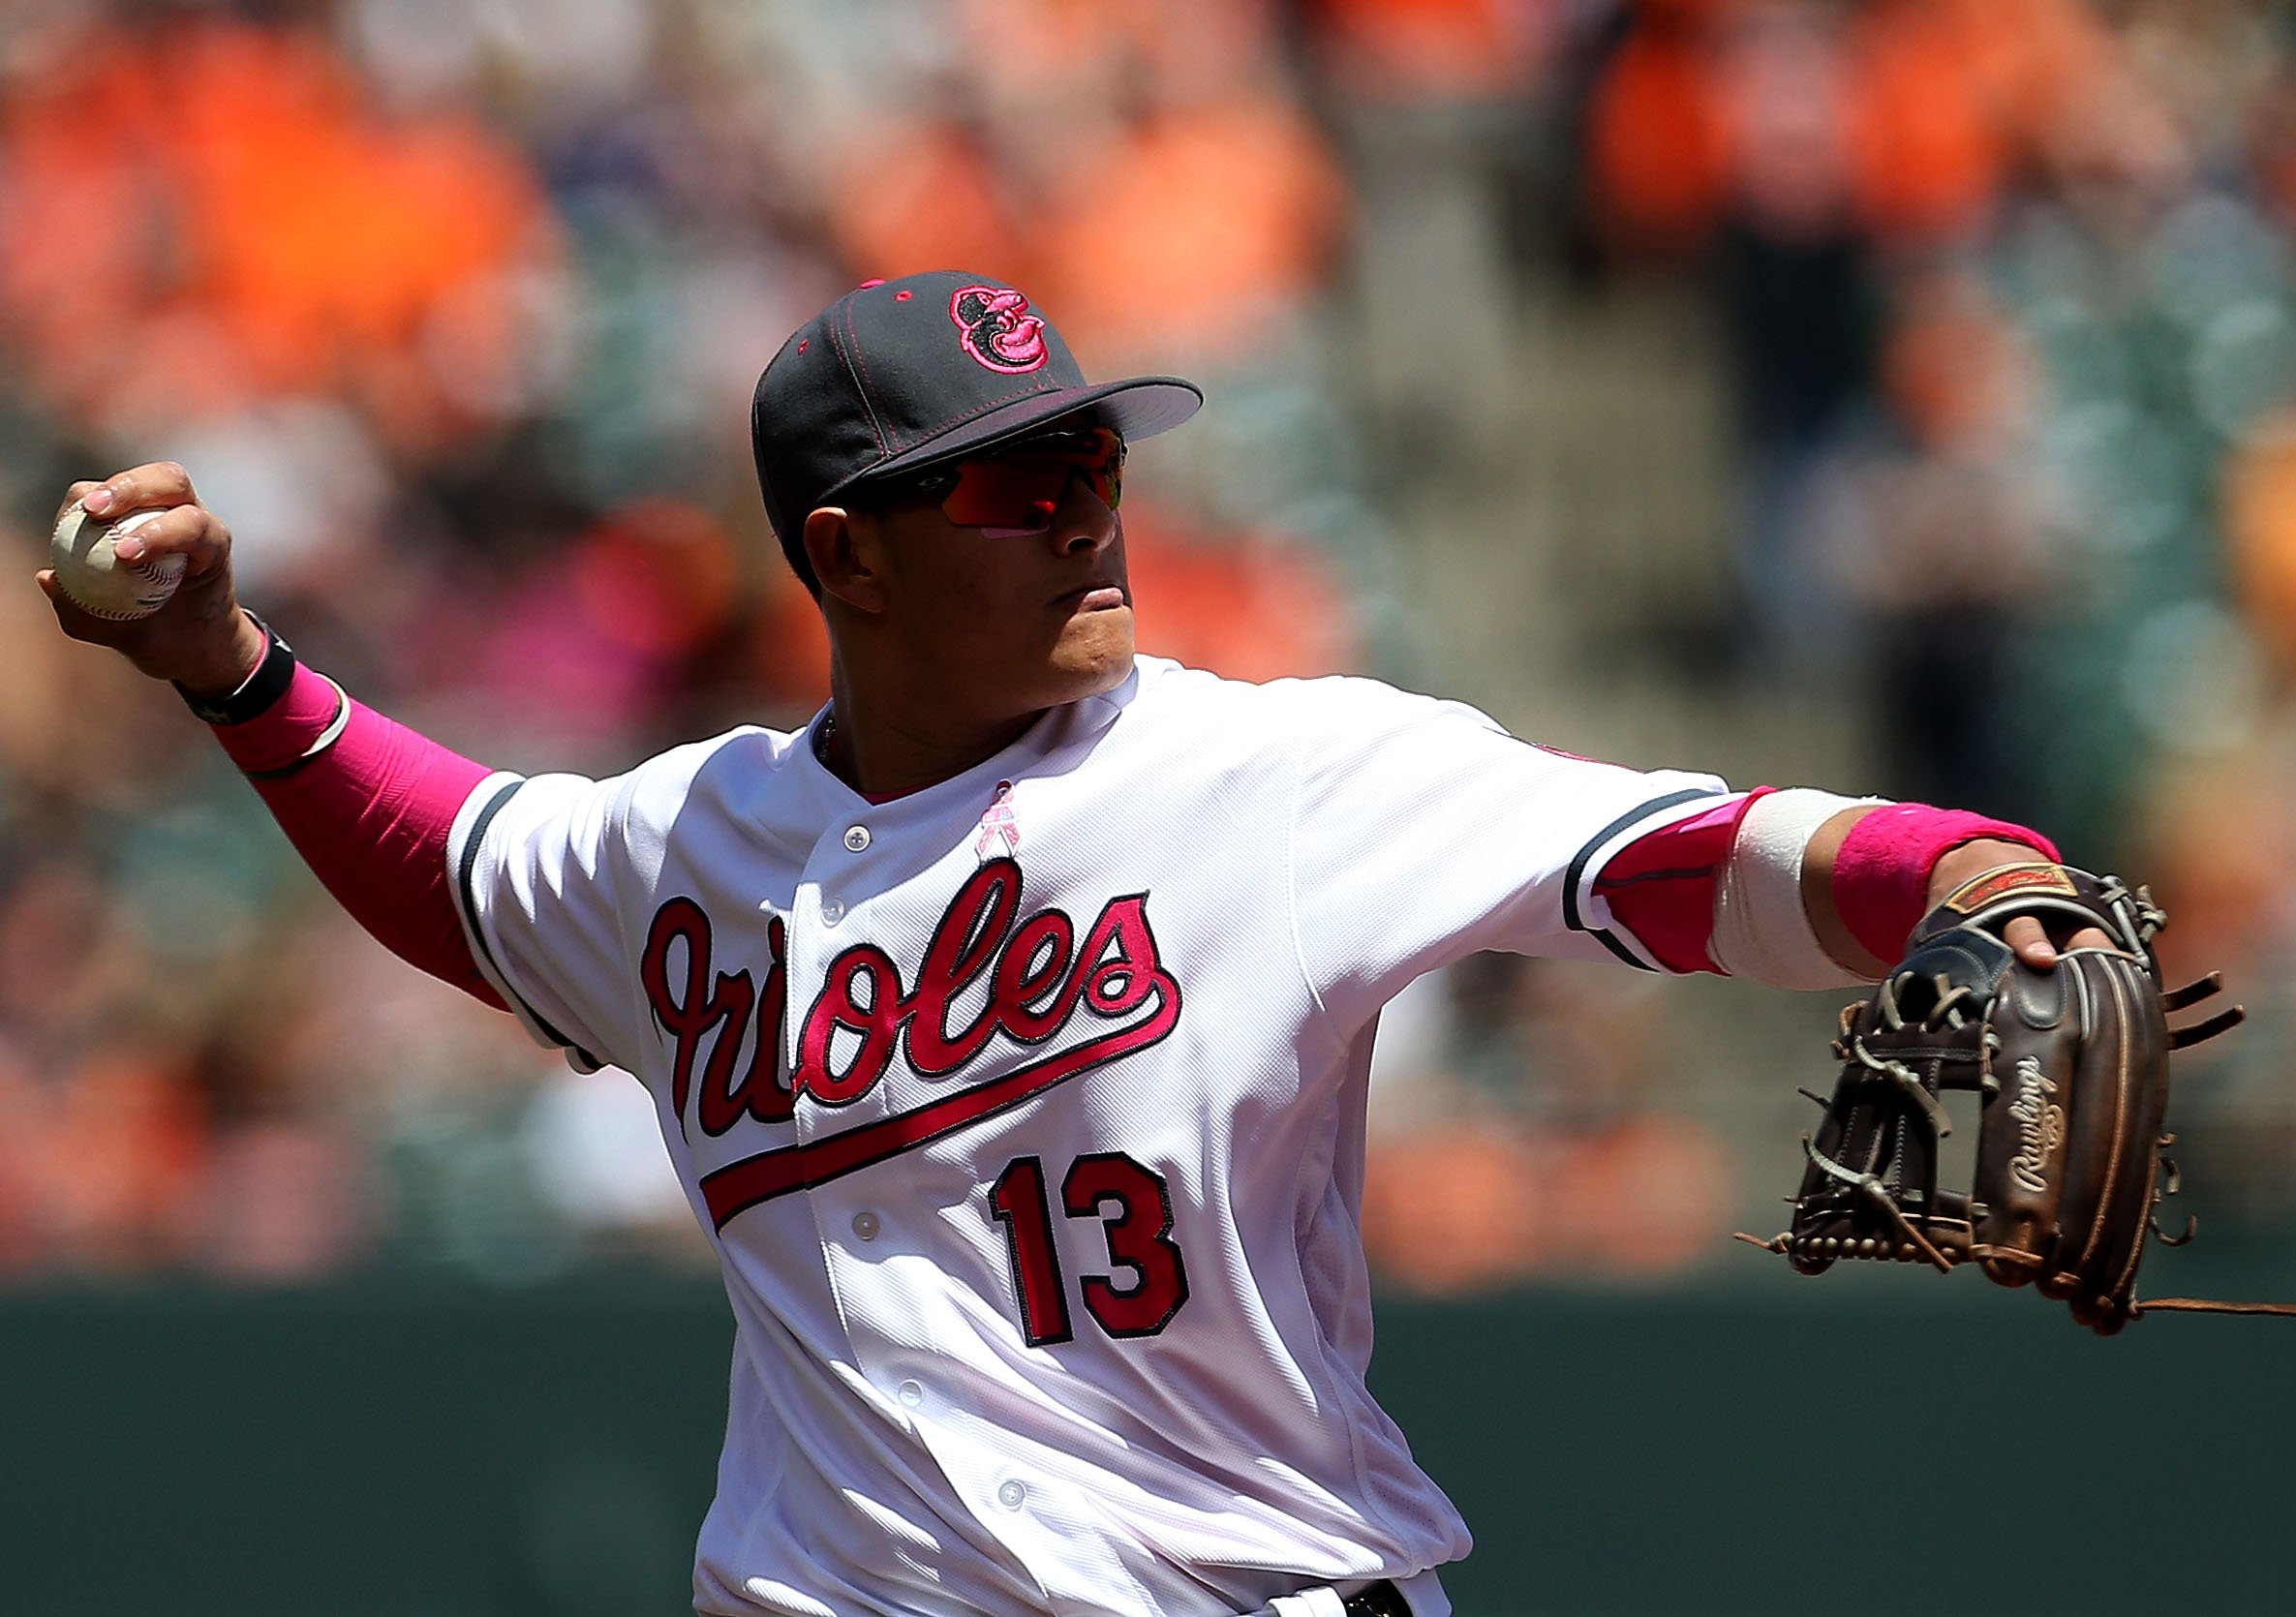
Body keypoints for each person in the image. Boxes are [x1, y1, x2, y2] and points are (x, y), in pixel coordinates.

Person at [42, 269, 2103, 1617]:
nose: (1094, 510)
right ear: (842, 551)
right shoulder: (693, 842)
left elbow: (1680, 855)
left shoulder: (1267, 777)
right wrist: (226, 665)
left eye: (1098, 456)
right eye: (1021, 482)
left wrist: (1958, 871)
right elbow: (470, 870)